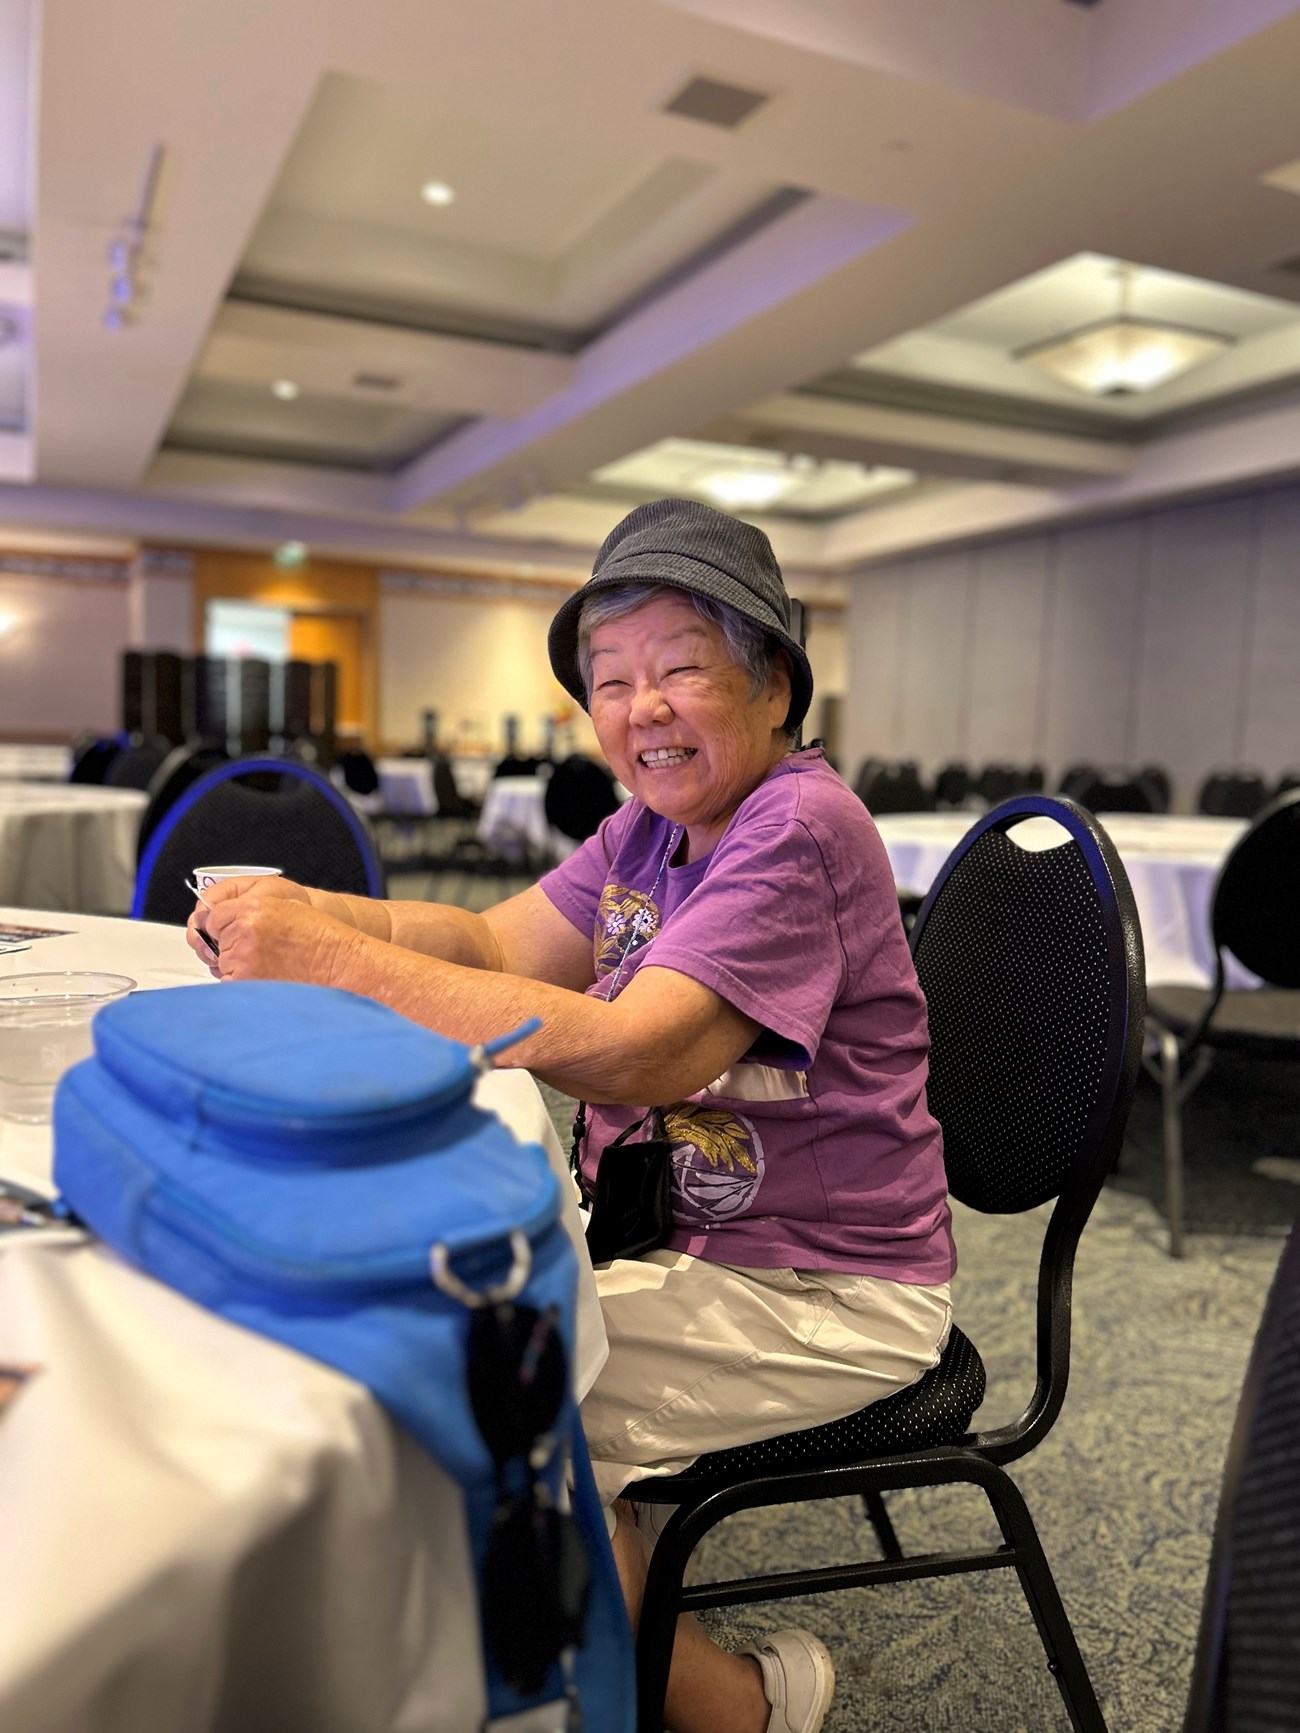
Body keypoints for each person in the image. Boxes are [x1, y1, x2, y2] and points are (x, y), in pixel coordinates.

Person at [186, 498, 955, 1733]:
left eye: (680, 669)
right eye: (610, 680)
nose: (639, 706)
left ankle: (748, 1708)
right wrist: (318, 914)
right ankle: (605, 1610)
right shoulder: (650, 826)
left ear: (772, 685)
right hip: (692, 1245)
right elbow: (491, 937)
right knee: (462, 1351)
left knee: (485, 1390)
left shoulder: (797, 828)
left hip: (827, 1284)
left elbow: (637, 1052)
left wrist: (324, 962)